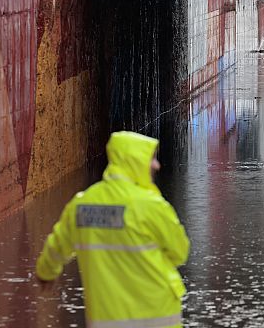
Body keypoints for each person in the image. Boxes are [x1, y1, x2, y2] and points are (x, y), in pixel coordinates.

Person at [35, 131, 190, 328]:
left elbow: (57, 246)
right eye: (151, 158)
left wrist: (46, 272)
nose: (156, 165)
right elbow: (180, 253)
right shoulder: (151, 206)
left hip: (106, 316)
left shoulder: (82, 205)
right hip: (157, 313)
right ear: (135, 161)